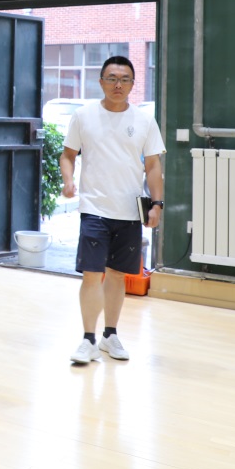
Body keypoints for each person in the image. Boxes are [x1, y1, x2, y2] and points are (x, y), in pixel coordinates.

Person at [61, 55, 165, 365]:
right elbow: (68, 155)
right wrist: (68, 181)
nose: (118, 84)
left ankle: (110, 335)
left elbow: (153, 166)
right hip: (94, 208)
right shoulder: (83, 116)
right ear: (101, 82)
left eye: (124, 79)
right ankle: (88, 340)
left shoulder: (144, 120)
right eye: (112, 78)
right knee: (92, 275)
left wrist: (157, 204)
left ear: (133, 84)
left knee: (117, 276)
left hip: (129, 210)